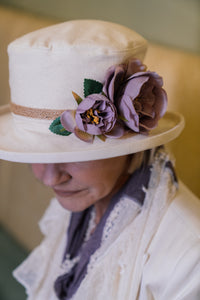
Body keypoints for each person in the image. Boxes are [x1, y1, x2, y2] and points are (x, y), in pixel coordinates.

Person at [0, 20, 199, 300]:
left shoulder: (190, 260)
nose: (48, 178)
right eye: (38, 154)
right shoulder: (82, 203)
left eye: (73, 154)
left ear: (128, 140)